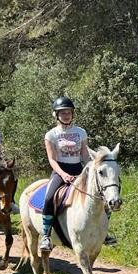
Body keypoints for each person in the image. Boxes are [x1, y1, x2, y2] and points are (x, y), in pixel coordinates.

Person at [39, 96, 88, 253]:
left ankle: (104, 232)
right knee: (48, 198)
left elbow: (85, 156)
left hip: (79, 169)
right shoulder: (51, 135)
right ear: (56, 115)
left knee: (100, 194)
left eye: (68, 112)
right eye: (62, 113)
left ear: (72, 114)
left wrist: (89, 170)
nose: (66, 115)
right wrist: (63, 174)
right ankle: (46, 235)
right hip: (60, 170)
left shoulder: (81, 132)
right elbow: (52, 160)